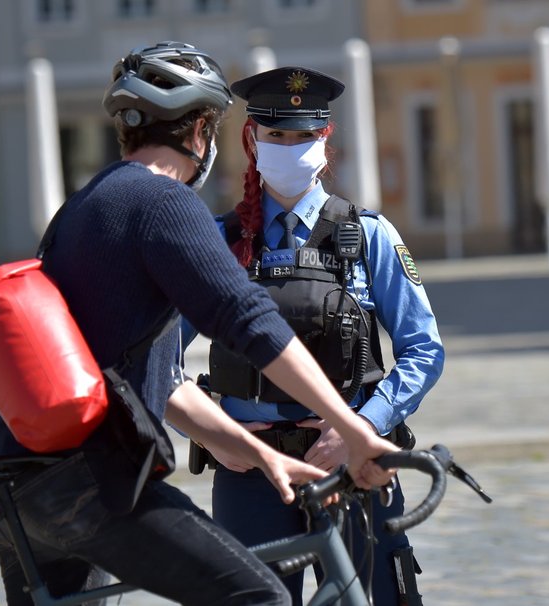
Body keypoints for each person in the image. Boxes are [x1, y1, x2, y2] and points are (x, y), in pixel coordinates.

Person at [0, 41, 397, 605]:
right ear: (200, 130)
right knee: (259, 597)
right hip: (91, 488)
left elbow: (162, 382)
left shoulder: (86, 207)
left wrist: (263, 453)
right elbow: (249, 320)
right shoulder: (162, 203)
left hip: (17, 488)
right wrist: (351, 428)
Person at [184, 66, 444, 606]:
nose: (291, 147)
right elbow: (159, 351)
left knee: (376, 597)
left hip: (351, 465)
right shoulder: (217, 241)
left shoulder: (368, 235)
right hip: (250, 469)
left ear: (325, 139)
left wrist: (361, 426)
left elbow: (424, 350)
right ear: (252, 138)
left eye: (304, 135)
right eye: (277, 135)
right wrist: (212, 433)